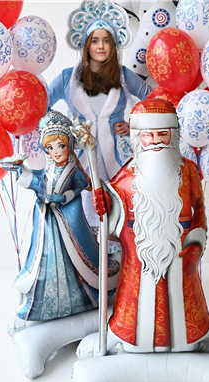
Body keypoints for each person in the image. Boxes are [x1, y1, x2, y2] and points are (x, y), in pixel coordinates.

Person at [75, 99, 209, 352]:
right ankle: (133, 340)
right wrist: (102, 199)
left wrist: (197, 242)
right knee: (136, 298)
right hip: (138, 254)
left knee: (184, 299)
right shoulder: (127, 174)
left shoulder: (189, 172)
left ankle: (189, 341)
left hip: (181, 251)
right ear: (138, 138)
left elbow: (199, 210)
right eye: (148, 136)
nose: (156, 142)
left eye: (162, 134)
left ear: (173, 136)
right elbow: (112, 204)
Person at [0, 110, 120, 321]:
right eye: (50, 147)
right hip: (48, 222)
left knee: (78, 258)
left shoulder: (73, 169)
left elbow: (82, 186)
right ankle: (47, 304)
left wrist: (64, 198)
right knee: (47, 260)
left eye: (61, 146)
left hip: (69, 220)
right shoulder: (48, 170)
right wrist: (20, 170)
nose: (56, 152)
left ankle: (86, 297)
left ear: (69, 145)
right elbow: (38, 183)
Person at [48, 0, 151, 233]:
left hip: (118, 157)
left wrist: (135, 125)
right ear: (86, 45)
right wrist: (62, 133)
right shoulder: (67, 77)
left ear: (114, 45)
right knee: (82, 217)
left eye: (106, 40)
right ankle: (88, 252)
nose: (101, 46)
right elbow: (41, 104)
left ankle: (116, 250)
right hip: (79, 157)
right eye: (95, 40)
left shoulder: (124, 75)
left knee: (119, 214)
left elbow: (153, 100)